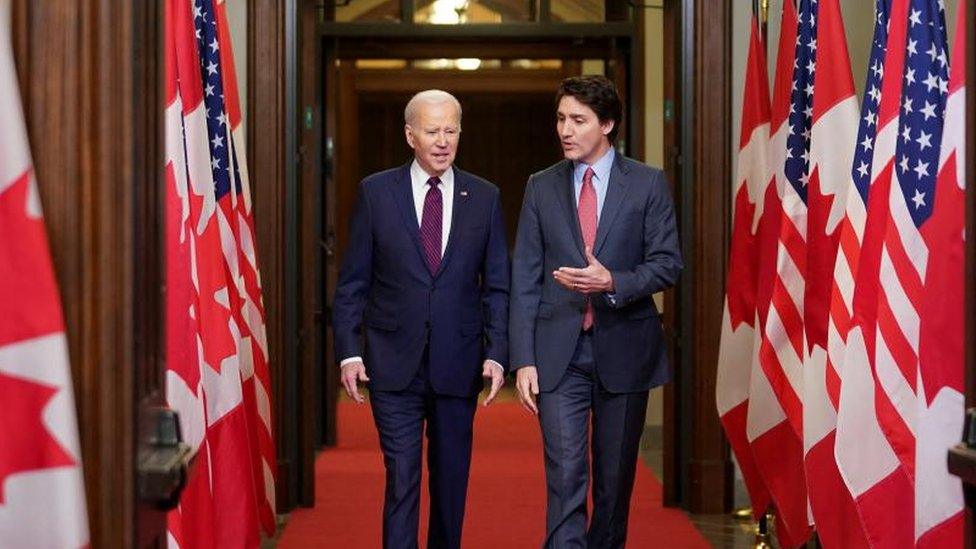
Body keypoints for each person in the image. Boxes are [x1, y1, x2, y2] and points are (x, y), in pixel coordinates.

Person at [509, 75, 683, 548]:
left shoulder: (647, 183)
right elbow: (524, 276)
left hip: (626, 349)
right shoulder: (540, 186)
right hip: (557, 354)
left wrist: (614, 282)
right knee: (564, 475)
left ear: (607, 124)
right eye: (561, 118)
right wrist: (522, 358)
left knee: (613, 483)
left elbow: (668, 264)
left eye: (578, 120)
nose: (565, 129)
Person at [332, 89, 509, 549]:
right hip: (392, 364)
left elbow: (497, 287)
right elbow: (354, 281)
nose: (443, 141)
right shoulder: (375, 193)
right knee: (402, 478)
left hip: (459, 362)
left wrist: (497, 354)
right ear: (410, 135)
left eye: (452, 130)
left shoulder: (485, 196)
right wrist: (349, 352)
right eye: (433, 131)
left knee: (451, 485)